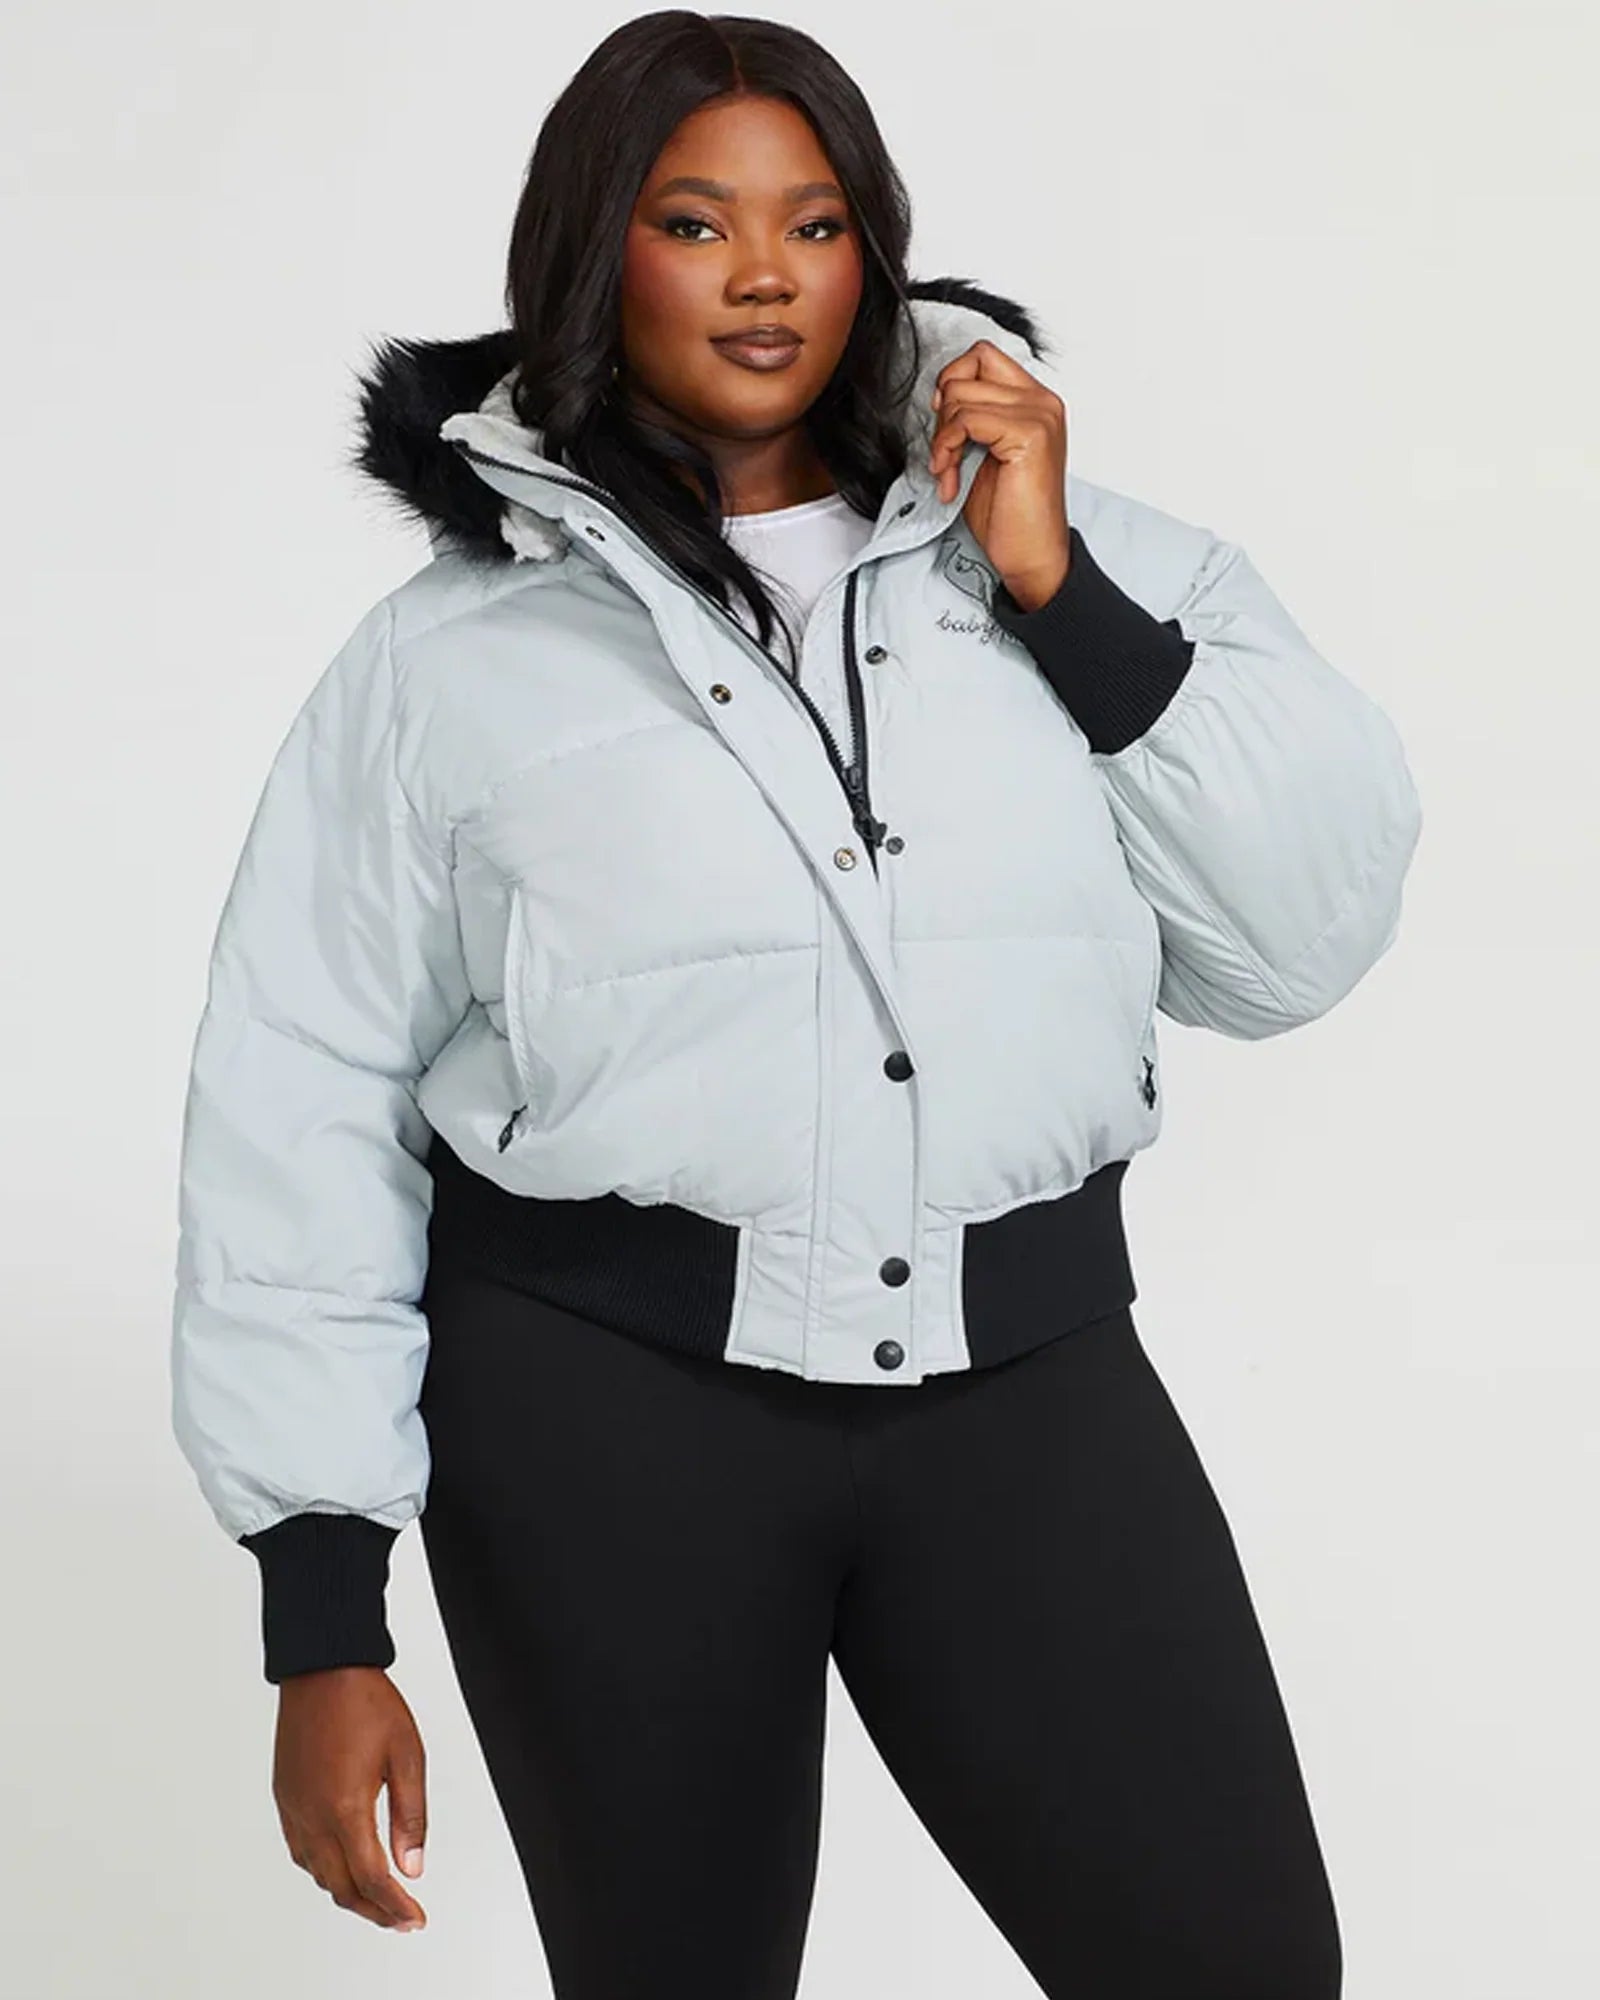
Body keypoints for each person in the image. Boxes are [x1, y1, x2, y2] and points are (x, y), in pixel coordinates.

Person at [169, 11, 1421, 1996]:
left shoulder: (1100, 561)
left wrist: (1065, 599)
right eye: (695, 222)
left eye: (815, 223)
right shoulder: (444, 661)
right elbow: (299, 1088)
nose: (763, 274)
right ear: (595, 253)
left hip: (1026, 1387)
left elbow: (1299, 940)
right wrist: (324, 1610)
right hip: (602, 1414)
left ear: (873, 253)